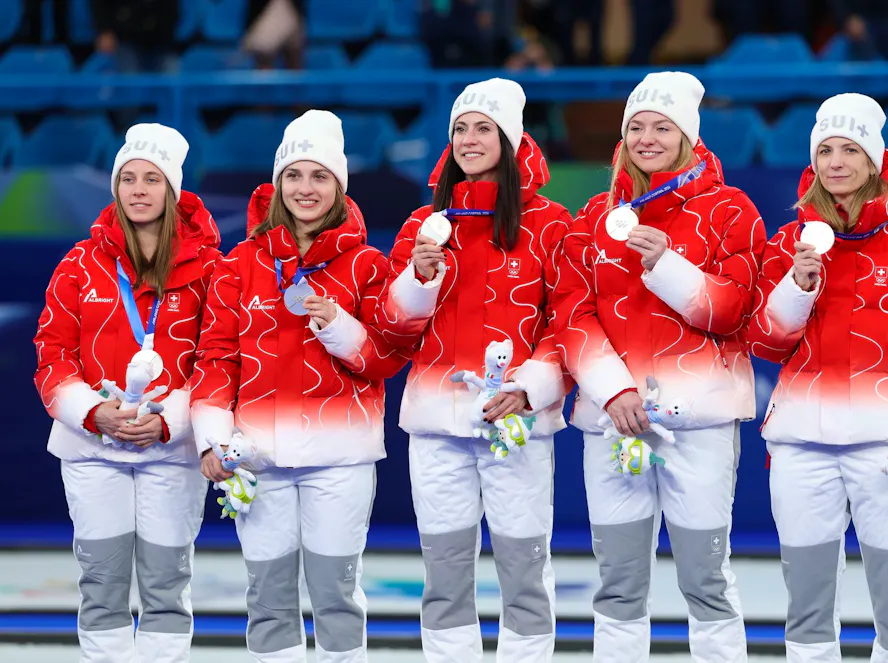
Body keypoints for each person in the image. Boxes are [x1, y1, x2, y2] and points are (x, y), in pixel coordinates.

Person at [748, 93, 888, 663]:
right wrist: (798, 285)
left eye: (851, 149)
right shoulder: (787, 242)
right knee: (807, 601)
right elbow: (766, 342)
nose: (837, 161)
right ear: (812, 162)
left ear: (875, 161)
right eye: (825, 150)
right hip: (801, 447)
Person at [551, 71, 765, 663]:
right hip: (612, 423)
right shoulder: (596, 215)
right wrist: (613, 391)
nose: (647, 138)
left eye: (662, 127)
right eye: (637, 127)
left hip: (697, 422)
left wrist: (667, 266)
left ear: (688, 137)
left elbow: (732, 312)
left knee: (707, 580)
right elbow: (571, 313)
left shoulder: (730, 210)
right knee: (618, 584)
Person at [190, 110, 408, 663]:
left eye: (319, 176)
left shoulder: (366, 266)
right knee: (268, 598)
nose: (305, 189)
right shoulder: (238, 264)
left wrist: (338, 324)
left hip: (339, 460)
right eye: (293, 175)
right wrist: (213, 438)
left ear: (338, 186)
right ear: (277, 184)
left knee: (336, 597)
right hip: (256, 457)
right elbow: (215, 358)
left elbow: (386, 359)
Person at [376, 78, 572, 663]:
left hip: (517, 425)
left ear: (510, 141)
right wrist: (417, 281)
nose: (468, 139)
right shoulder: (421, 225)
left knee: (525, 571)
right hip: (437, 427)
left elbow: (570, 325)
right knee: (444, 573)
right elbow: (393, 330)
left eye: (483, 128)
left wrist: (530, 389)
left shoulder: (551, 223)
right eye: (459, 128)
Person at [34, 123, 220, 663]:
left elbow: (218, 363)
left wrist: (170, 421)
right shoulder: (79, 264)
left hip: (172, 449)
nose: (139, 189)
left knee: (166, 586)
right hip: (93, 450)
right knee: (102, 582)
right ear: (115, 187)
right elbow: (52, 354)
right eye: (129, 178)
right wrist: (94, 413)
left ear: (174, 190)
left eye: (152, 179)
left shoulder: (210, 269)